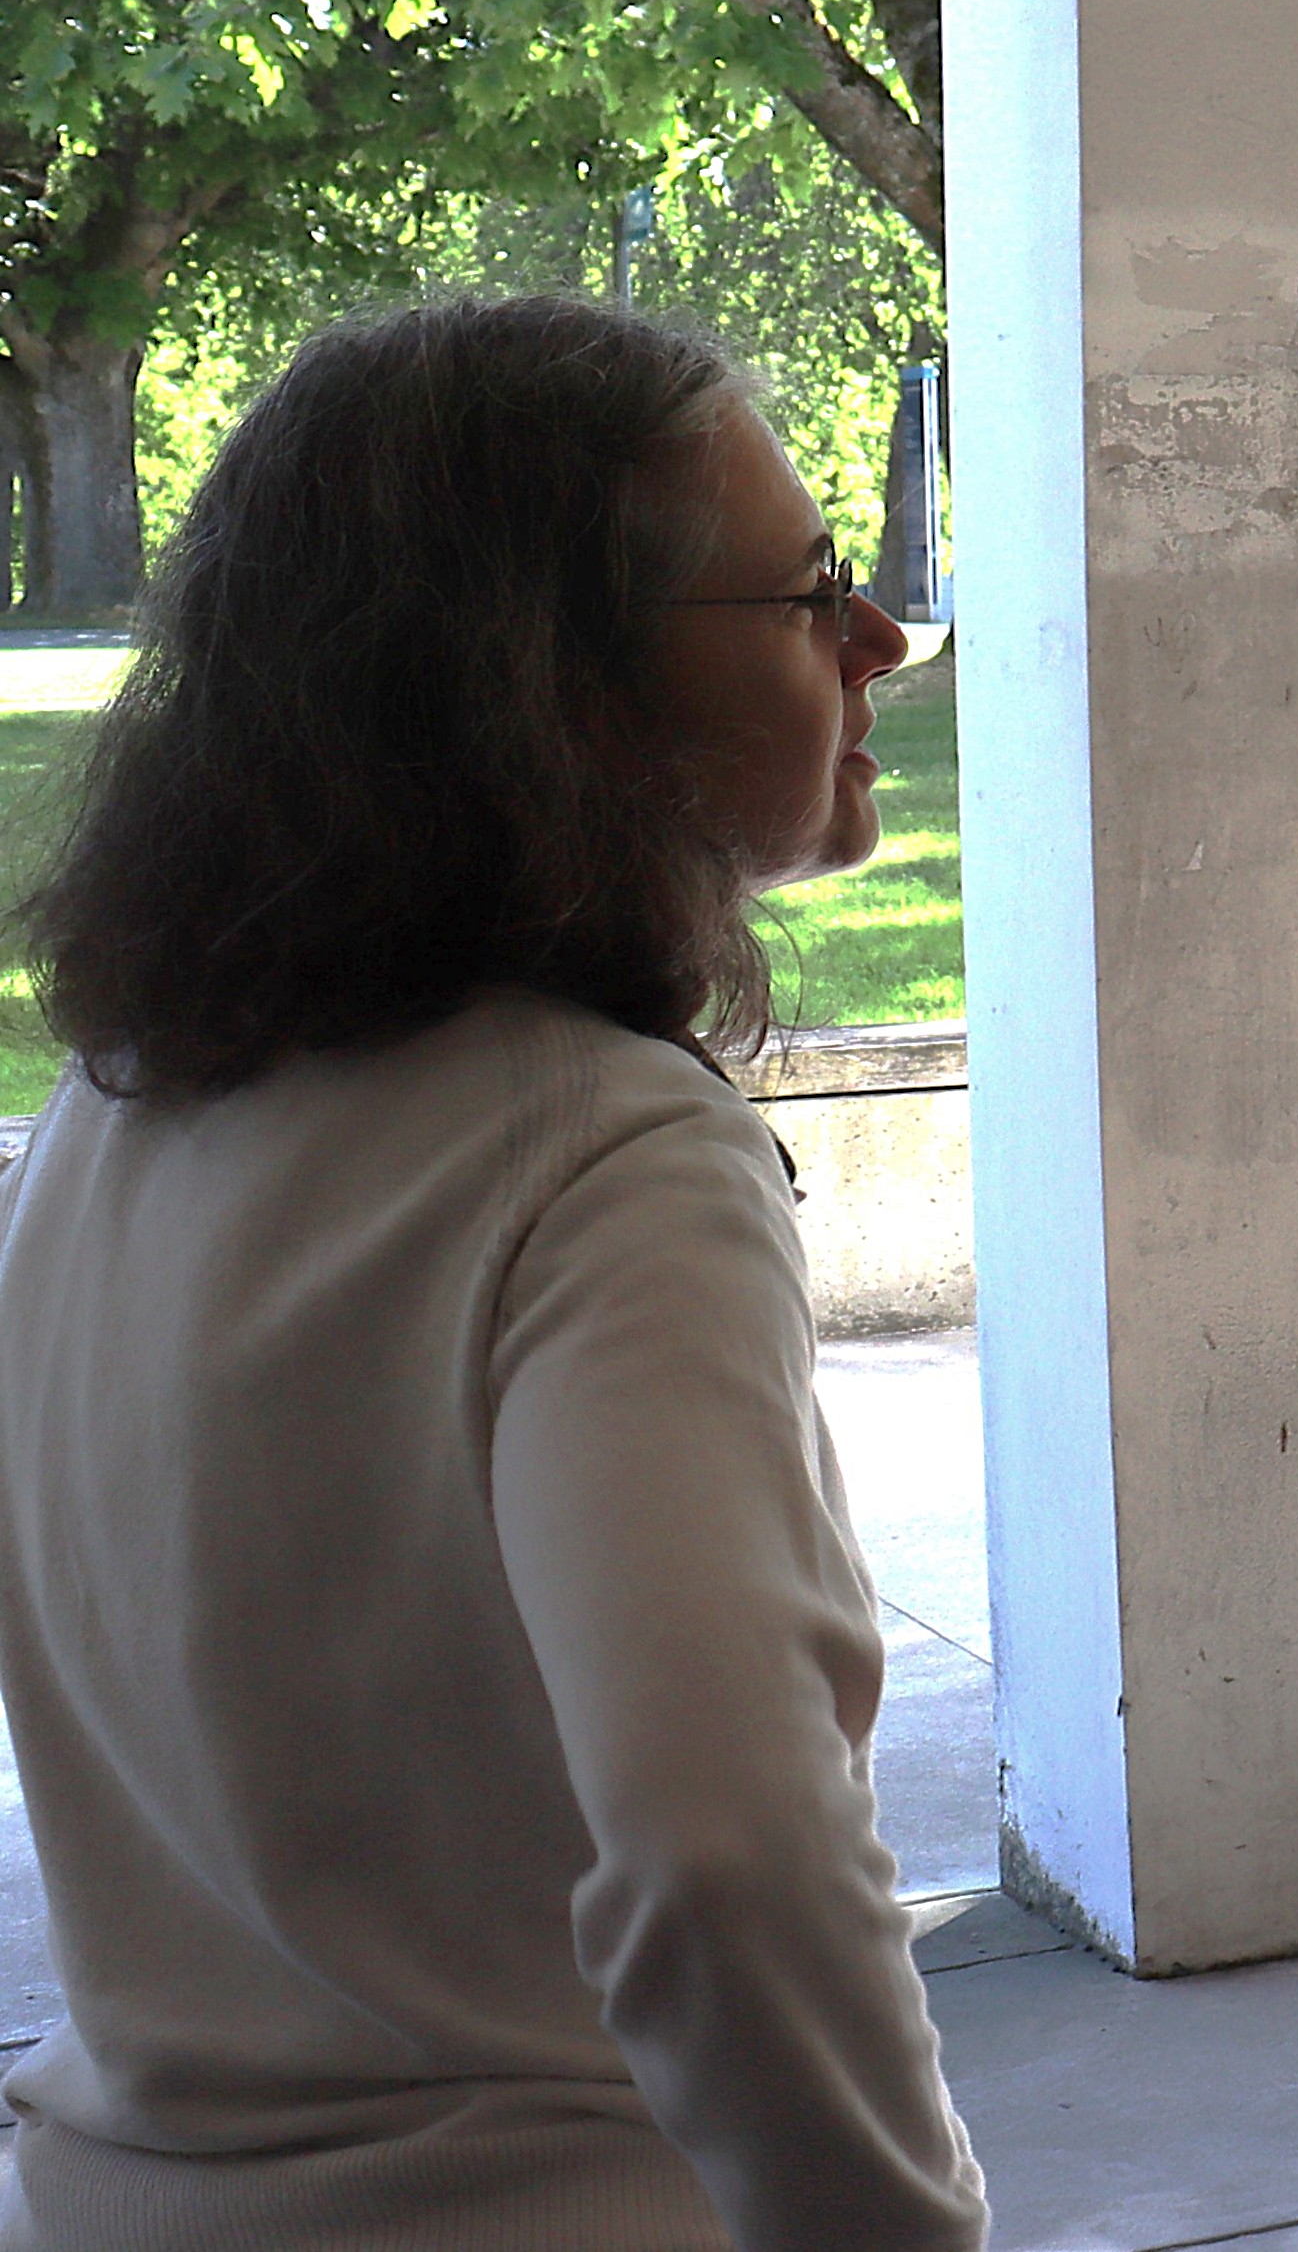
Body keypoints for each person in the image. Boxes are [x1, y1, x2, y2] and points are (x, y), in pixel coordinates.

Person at [0, 297, 987, 2248]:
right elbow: (730, 1857)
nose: (879, 641)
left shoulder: (111, 1117)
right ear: (567, 693)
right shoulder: (615, 1158)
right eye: (809, 593)